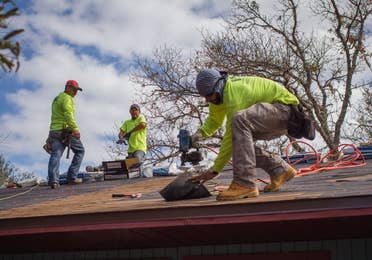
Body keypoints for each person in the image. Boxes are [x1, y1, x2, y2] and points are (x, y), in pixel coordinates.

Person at [191, 69, 300, 201]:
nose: (208, 99)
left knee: (239, 121)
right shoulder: (218, 97)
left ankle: (244, 183)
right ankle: (279, 169)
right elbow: (215, 120)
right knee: (241, 142)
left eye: (209, 95)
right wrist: (200, 133)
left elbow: (230, 135)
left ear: (218, 86)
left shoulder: (235, 93)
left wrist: (215, 170)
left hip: (286, 111)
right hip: (273, 116)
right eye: (205, 96)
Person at [47, 80, 85, 189]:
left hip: (54, 131)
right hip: (64, 131)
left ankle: (53, 181)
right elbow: (68, 114)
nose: (75, 93)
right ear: (67, 88)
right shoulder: (67, 98)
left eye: (77, 90)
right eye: (74, 90)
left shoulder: (57, 98)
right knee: (80, 150)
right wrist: (75, 129)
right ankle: (71, 177)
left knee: (56, 155)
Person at [118, 104, 147, 176]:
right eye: (132, 110)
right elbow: (120, 133)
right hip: (131, 149)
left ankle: (141, 178)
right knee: (130, 168)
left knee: (137, 160)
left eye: (136, 110)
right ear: (130, 112)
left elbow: (142, 125)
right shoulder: (127, 122)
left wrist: (130, 132)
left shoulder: (141, 118)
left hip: (140, 147)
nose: (134, 111)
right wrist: (122, 138)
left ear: (139, 112)